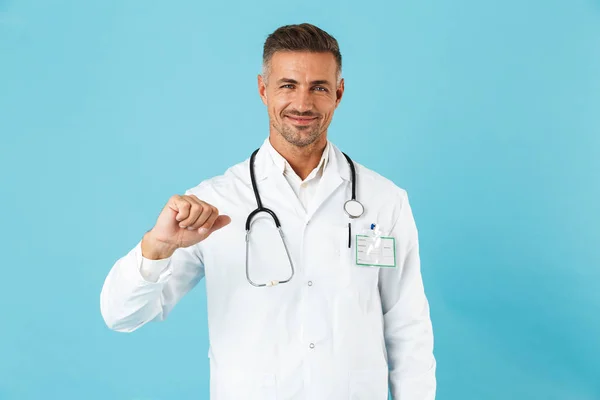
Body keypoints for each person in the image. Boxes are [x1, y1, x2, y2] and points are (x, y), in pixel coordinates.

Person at [100, 23, 436, 400]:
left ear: (339, 93)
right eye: (288, 85)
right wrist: (157, 247)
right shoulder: (214, 203)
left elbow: (408, 329)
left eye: (319, 87)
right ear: (263, 89)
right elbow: (121, 316)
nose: (303, 103)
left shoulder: (384, 200)